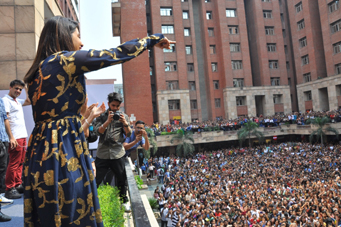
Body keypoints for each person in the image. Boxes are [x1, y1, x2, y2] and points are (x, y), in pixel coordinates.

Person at [22, 16, 174, 227]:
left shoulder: (35, 72)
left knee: (49, 213)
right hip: (64, 150)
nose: (82, 43)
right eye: (78, 36)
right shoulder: (65, 61)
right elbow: (115, 54)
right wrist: (152, 40)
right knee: (72, 212)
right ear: (63, 36)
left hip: (39, 151)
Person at [2, 80, 31, 199]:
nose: (18, 91)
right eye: (16, 88)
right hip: (15, 137)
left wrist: (26, 87)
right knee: (13, 163)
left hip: (22, 136)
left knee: (20, 162)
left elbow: (29, 101)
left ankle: (17, 184)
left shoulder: (17, 101)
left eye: (20, 89)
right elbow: (5, 120)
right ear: (10, 87)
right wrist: (11, 137)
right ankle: (9, 188)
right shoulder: (5, 100)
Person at [0, 97, 14, 222]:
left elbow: (5, 119)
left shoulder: (0, 101)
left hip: (2, 140)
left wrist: (10, 137)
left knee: (1, 175)